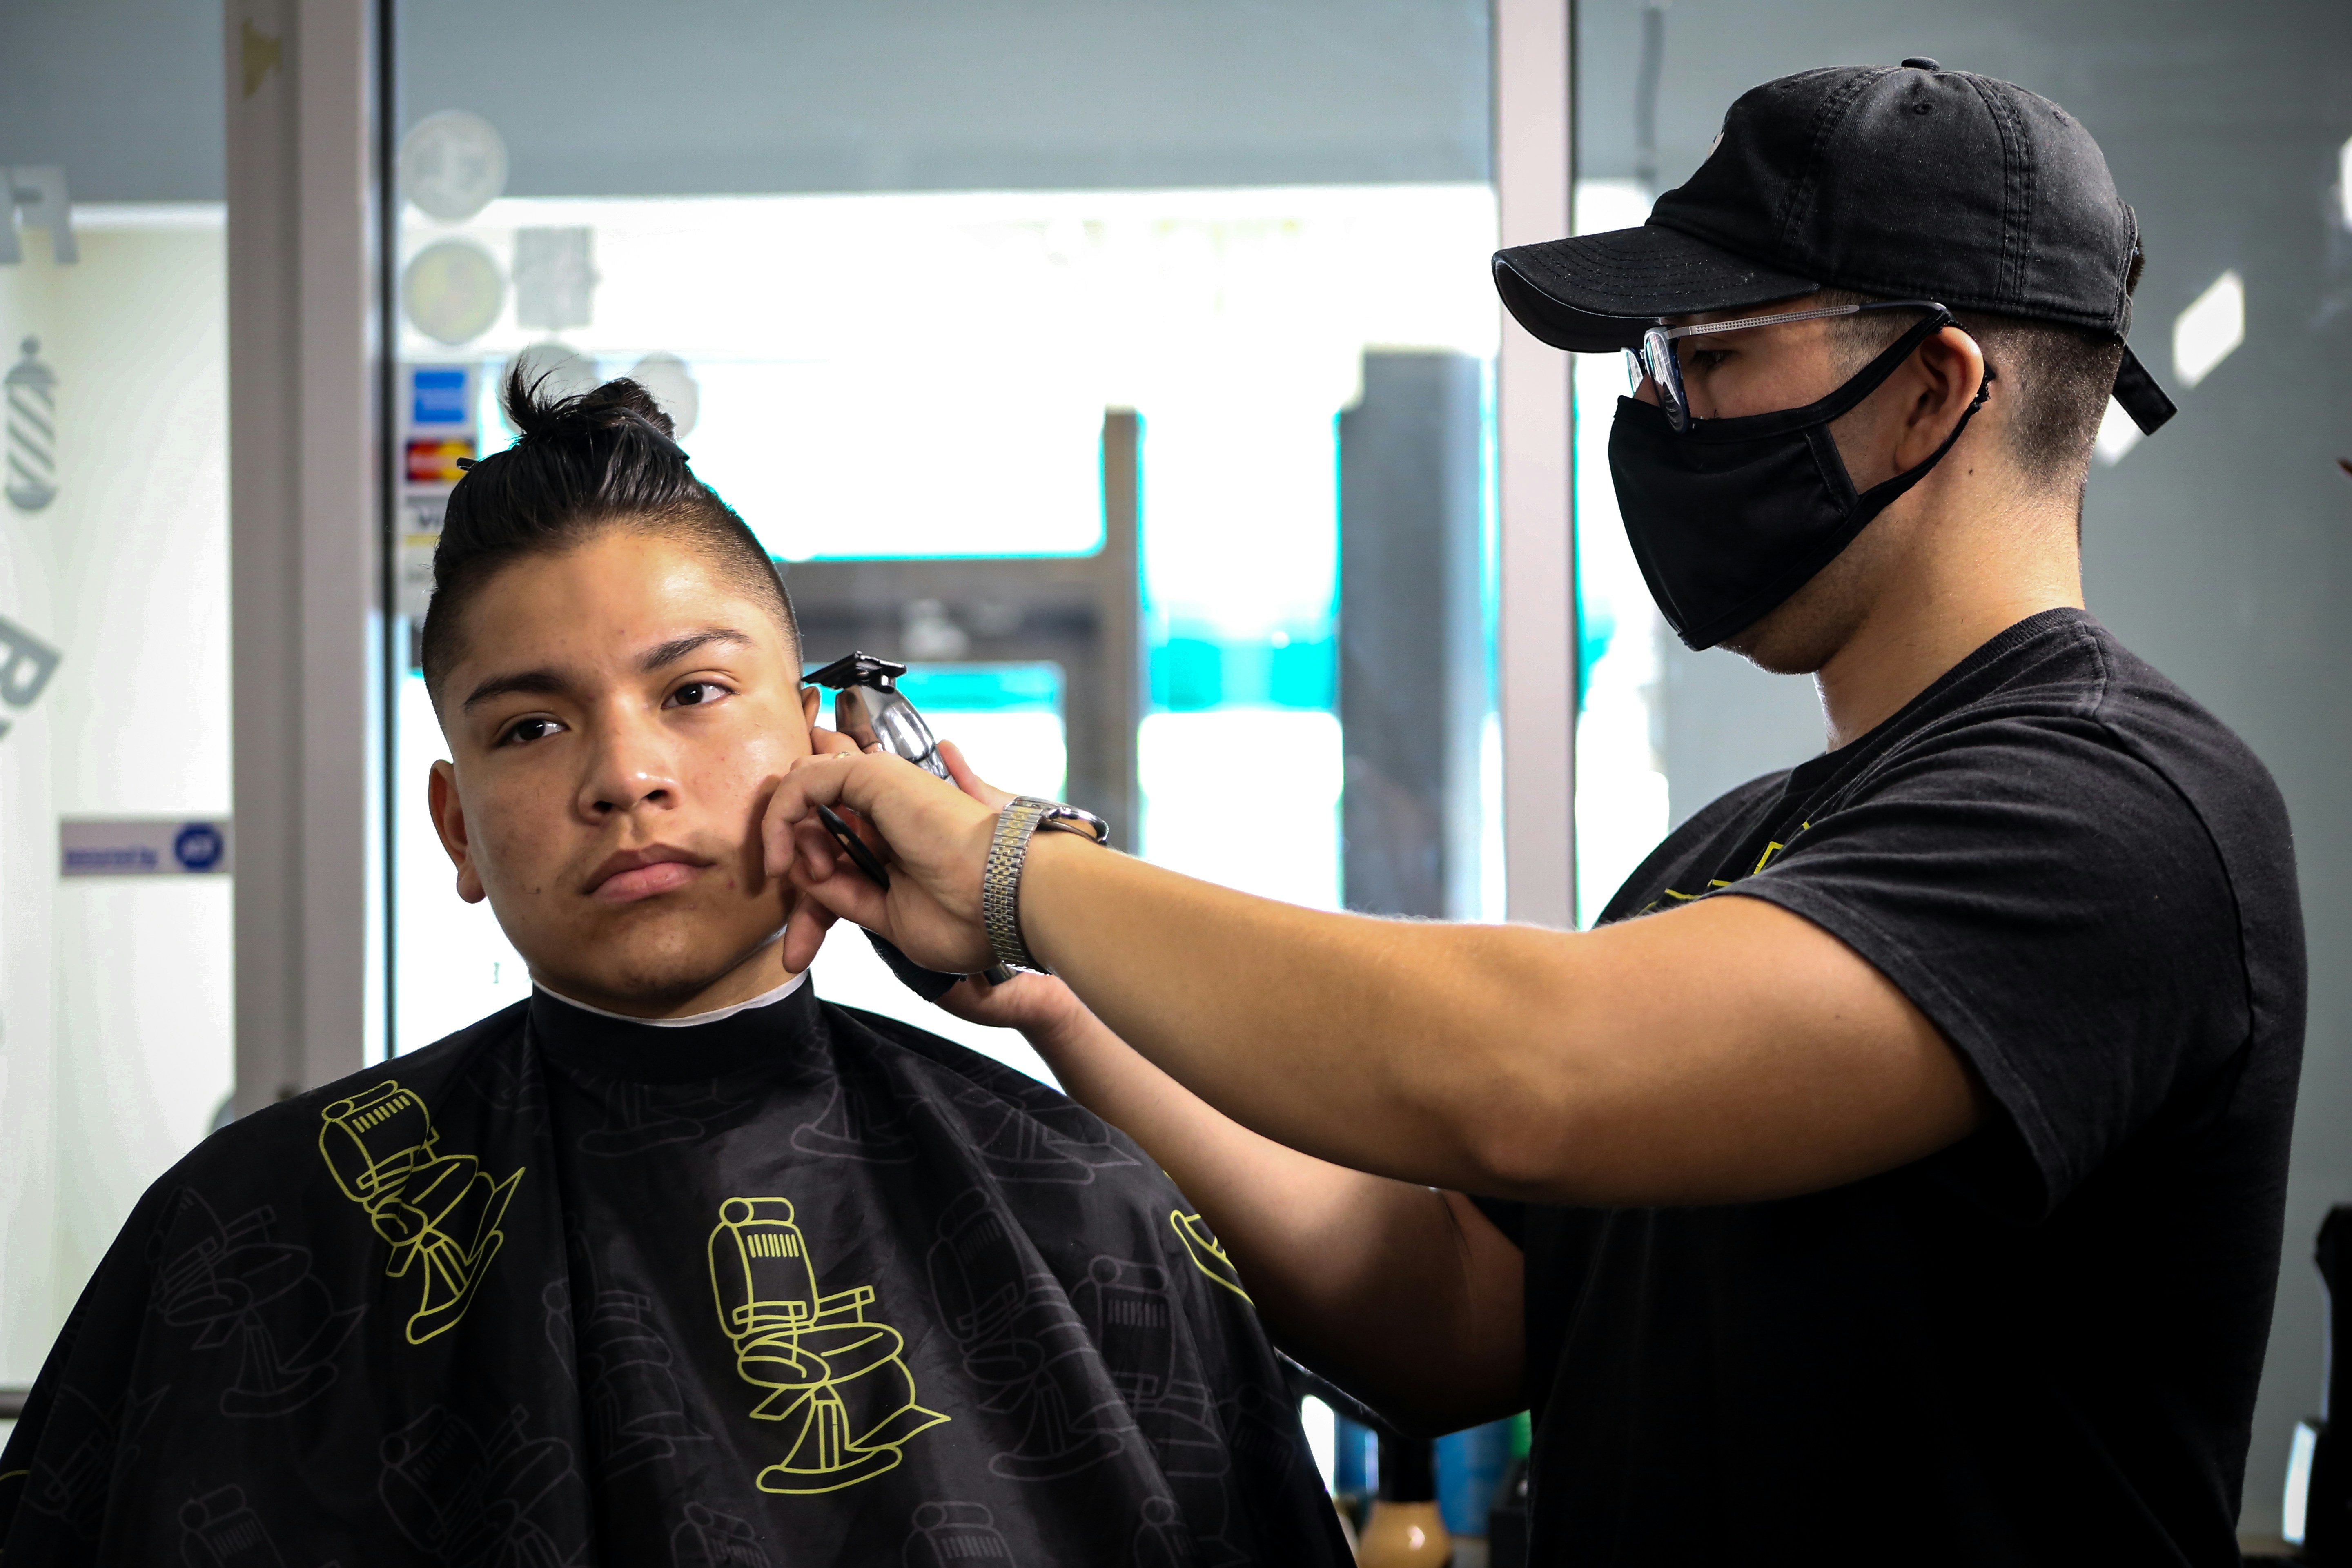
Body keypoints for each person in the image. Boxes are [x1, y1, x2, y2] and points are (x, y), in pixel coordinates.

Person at [765, 62, 2306, 1564]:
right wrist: (1051, 990)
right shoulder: (1733, 860)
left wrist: (1023, 872)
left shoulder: (2120, 809)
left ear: (1930, 390)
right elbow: (1448, 1313)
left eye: (1708, 357)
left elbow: (1525, 1070)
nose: (1660, 412)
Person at [0, 374, 1349, 1566]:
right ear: (458, 828)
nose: (626, 775)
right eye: (531, 727)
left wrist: (1035, 938)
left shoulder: (1084, 1209)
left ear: (820, 745)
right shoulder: (248, 1243)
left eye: (694, 693)